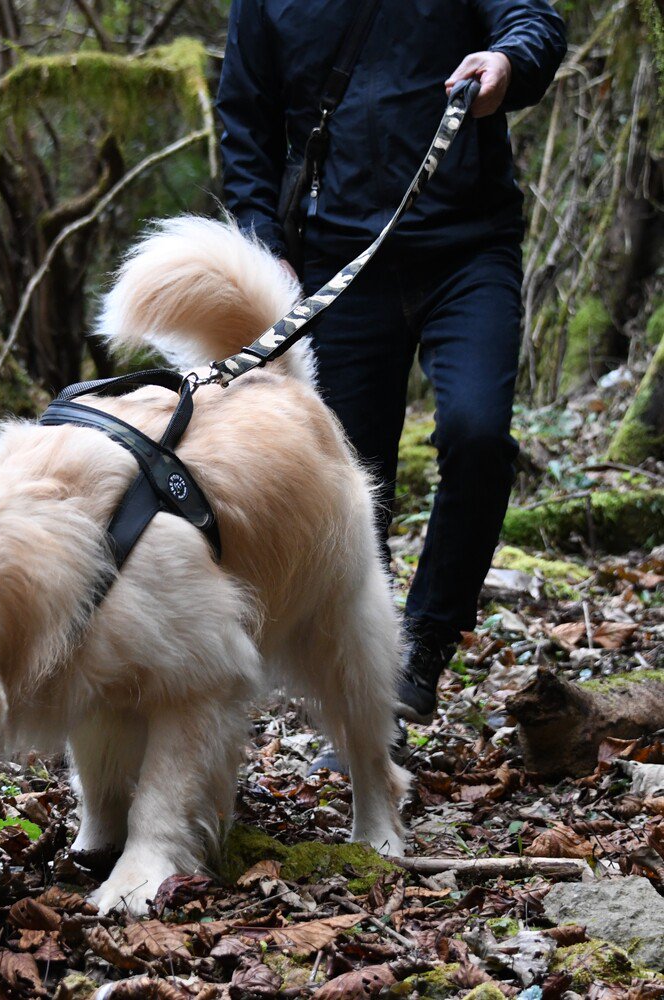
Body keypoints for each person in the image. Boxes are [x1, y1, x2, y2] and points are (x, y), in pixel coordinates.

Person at [216, 1, 566, 747]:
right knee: (353, 482)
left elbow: (531, 21)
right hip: (337, 261)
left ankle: (427, 643)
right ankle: (368, 695)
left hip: (467, 247)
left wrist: (507, 65)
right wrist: (261, 241)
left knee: (477, 434)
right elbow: (244, 118)